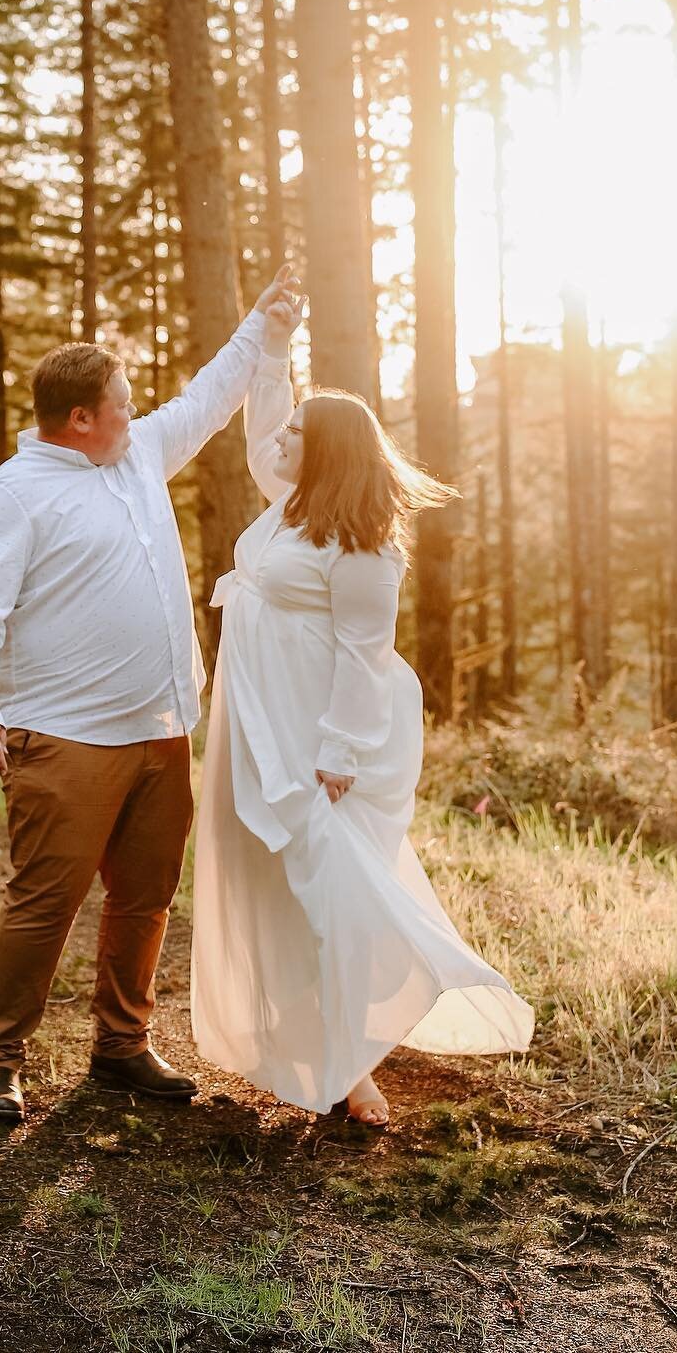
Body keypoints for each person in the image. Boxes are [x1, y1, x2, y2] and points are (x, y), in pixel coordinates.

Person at [0, 268, 301, 1123]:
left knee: (145, 899)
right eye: (122, 403)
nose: (136, 412)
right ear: (80, 419)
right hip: (62, 738)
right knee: (45, 902)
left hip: (161, 729)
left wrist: (263, 322)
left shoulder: (134, 455)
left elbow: (210, 399)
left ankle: (122, 1045)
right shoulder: (15, 495)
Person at [191, 317, 534, 1126]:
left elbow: (365, 652)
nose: (285, 438)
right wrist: (272, 352)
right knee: (276, 881)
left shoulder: (365, 546)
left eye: (302, 432)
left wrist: (339, 750)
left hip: (317, 742)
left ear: (332, 451)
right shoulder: (291, 504)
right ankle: (315, 1042)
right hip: (259, 725)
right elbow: (263, 434)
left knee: (330, 888)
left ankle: (359, 1059)